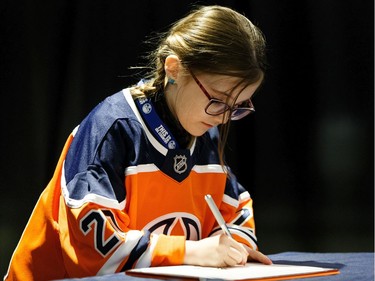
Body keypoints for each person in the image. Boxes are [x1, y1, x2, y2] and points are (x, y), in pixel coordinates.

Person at [4, 5, 272, 281]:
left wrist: (234, 246)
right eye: (217, 101)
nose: (225, 118)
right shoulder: (111, 129)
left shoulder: (206, 133)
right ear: (174, 69)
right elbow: (96, 252)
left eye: (238, 106)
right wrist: (191, 252)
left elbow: (234, 209)